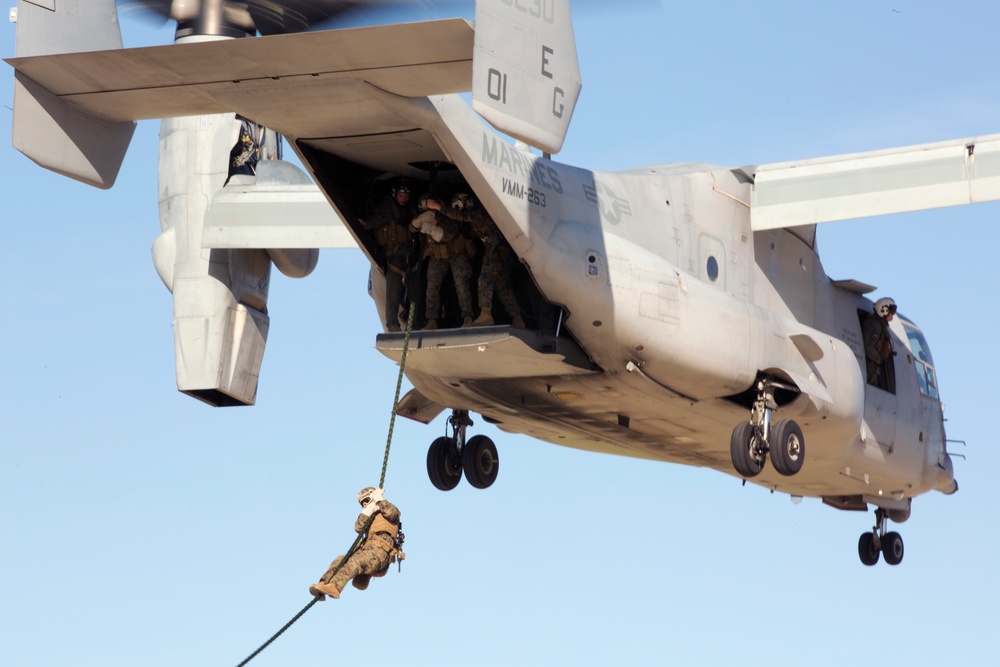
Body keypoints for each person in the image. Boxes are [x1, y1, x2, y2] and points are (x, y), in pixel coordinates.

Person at [426, 193, 525, 328]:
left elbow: (460, 216)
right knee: (502, 286)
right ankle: (517, 318)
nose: (458, 209)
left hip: (497, 250)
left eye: (459, 206)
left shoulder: (479, 211)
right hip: (499, 251)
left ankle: (486, 315)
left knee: (485, 279)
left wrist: (437, 207)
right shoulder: (474, 218)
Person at [309, 487, 404, 600]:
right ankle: (323, 585)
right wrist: (369, 510)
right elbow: (358, 527)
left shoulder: (389, 510)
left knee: (355, 562)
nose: (364, 504)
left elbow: (392, 513)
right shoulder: (370, 514)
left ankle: (335, 587)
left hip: (381, 552)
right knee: (340, 559)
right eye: (362, 503)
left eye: (367, 500)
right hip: (368, 550)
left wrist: (379, 500)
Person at [410, 195, 475, 329]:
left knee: (461, 285)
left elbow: (446, 235)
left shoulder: (450, 215)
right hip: (438, 255)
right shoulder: (427, 220)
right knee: (432, 287)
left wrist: (432, 228)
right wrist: (419, 262)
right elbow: (428, 245)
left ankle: (468, 317)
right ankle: (431, 320)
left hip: (456, 254)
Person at [364, 181, 416, 331]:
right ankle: (392, 323)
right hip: (394, 255)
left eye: (406, 196)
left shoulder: (410, 208)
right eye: (401, 196)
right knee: (393, 290)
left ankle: (412, 320)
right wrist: (364, 225)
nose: (404, 199)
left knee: (414, 290)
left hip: (409, 254)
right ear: (395, 195)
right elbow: (375, 220)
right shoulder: (388, 208)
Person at [863, 297, 896, 391]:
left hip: (874, 370)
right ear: (884, 310)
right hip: (869, 370)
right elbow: (868, 347)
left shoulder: (880, 326)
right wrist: (879, 360)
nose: (892, 316)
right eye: (891, 312)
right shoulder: (875, 325)